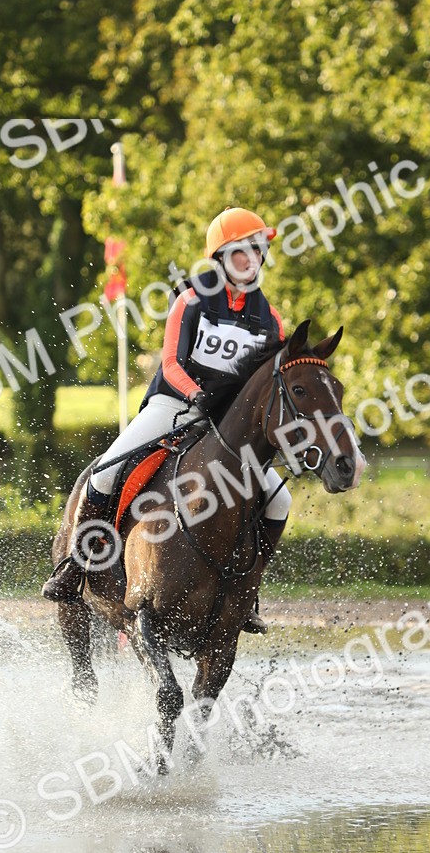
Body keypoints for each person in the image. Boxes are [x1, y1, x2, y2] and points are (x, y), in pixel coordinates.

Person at [42, 207, 292, 634]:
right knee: (104, 473)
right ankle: (76, 566)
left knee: (278, 499)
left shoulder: (271, 321)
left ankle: (246, 592)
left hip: (225, 424)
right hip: (173, 405)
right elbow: (172, 362)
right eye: (243, 251)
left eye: (258, 249)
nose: (253, 259)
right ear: (223, 257)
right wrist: (195, 394)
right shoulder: (192, 299)